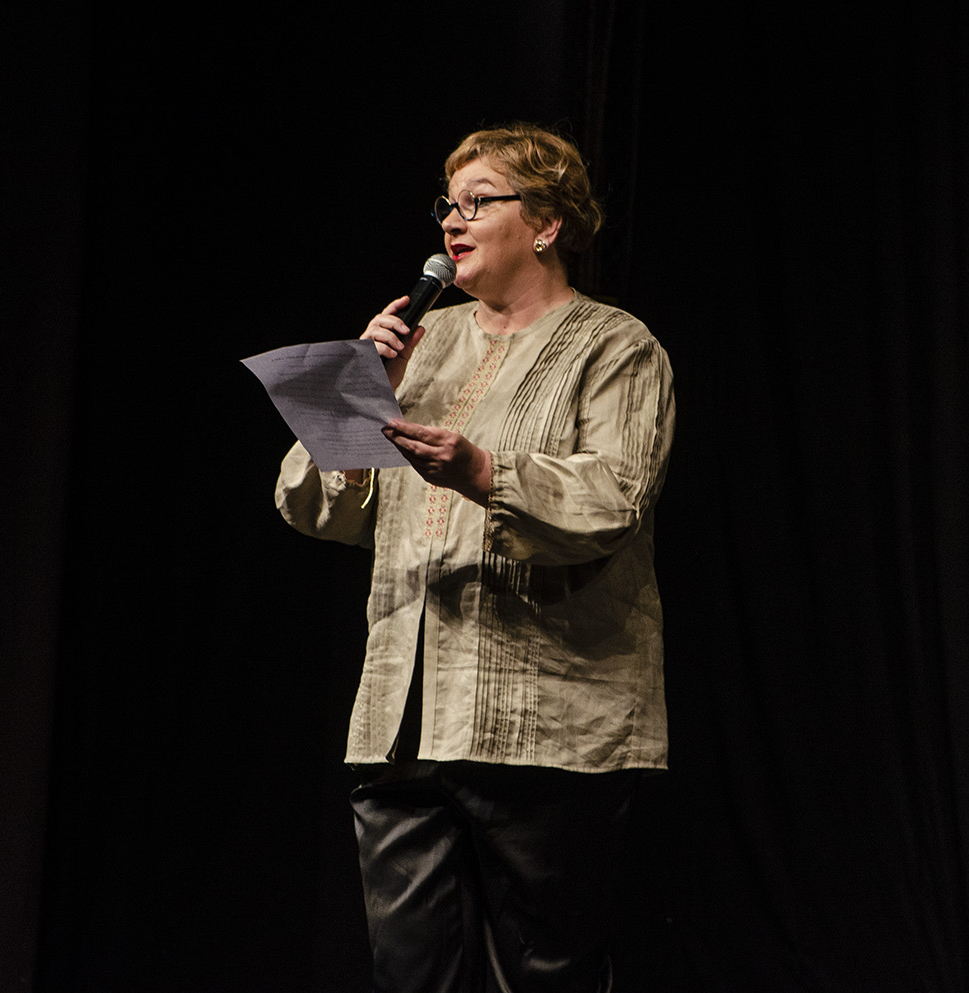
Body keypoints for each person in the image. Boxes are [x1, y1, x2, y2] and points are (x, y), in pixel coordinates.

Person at [275, 123, 674, 993]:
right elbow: (309, 503)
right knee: (409, 975)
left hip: (550, 724)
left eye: (477, 203)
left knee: (547, 976)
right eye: (445, 207)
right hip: (402, 722)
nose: (451, 223)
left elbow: (615, 497)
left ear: (547, 223)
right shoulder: (422, 341)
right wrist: (361, 388)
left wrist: (486, 473)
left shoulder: (616, 344)